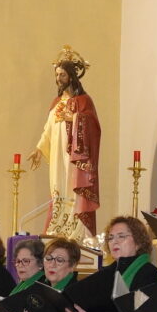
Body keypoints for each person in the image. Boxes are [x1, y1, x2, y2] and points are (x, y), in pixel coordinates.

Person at [28, 46, 101, 237]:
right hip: (58, 155)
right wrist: (38, 148)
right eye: (57, 74)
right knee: (58, 187)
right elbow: (48, 128)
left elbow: (93, 127)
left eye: (62, 74)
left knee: (72, 186)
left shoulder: (84, 101)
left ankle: (76, 229)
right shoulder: (57, 102)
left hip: (75, 157)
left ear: (71, 76)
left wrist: (74, 119)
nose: (58, 78)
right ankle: (59, 225)